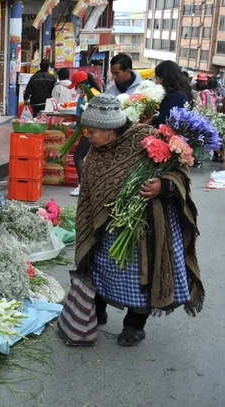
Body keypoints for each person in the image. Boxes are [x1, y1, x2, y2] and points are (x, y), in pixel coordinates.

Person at [75, 94, 204, 347]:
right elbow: (90, 192)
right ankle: (96, 311)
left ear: (110, 130)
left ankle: (134, 326)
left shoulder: (145, 138)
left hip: (143, 228)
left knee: (141, 275)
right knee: (98, 267)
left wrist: (163, 186)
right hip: (107, 226)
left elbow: (179, 172)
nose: (87, 135)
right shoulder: (96, 151)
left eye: (92, 130)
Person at [67, 71, 101, 197]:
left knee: (78, 157)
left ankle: (83, 186)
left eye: (77, 86)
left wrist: (79, 125)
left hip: (91, 132)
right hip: (88, 131)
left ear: (83, 84)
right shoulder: (88, 94)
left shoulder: (92, 95)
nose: (76, 89)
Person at [153, 61, 193, 127]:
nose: (156, 83)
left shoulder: (176, 97)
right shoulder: (182, 92)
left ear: (163, 78)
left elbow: (161, 123)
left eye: (157, 79)